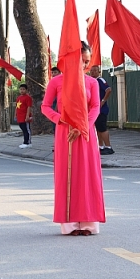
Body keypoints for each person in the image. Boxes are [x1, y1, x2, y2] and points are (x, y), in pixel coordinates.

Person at [41, 41, 106, 236]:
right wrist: (60, 119)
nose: (85, 65)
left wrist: (83, 125)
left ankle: (87, 223)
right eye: (82, 61)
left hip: (86, 134)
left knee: (87, 176)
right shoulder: (56, 82)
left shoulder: (92, 83)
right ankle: (69, 225)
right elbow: (45, 107)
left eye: (87, 61)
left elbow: (96, 107)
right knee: (67, 175)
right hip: (65, 133)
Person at [89, 65, 114, 155]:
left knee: (102, 128)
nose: (93, 72)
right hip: (95, 109)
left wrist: (103, 101)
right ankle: (100, 146)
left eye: (95, 70)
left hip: (101, 109)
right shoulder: (92, 81)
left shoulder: (100, 80)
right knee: (98, 128)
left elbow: (109, 90)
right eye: (91, 70)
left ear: (99, 71)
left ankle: (108, 147)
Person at [15, 84, 33, 148]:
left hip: (25, 116)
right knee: (22, 128)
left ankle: (27, 142)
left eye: (23, 89)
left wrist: (27, 116)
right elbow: (17, 107)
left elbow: (29, 107)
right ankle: (25, 141)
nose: (22, 90)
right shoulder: (18, 98)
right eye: (21, 89)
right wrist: (15, 115)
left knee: (26, 129)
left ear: (26, 90)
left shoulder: (28, 98)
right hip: (19, 116)